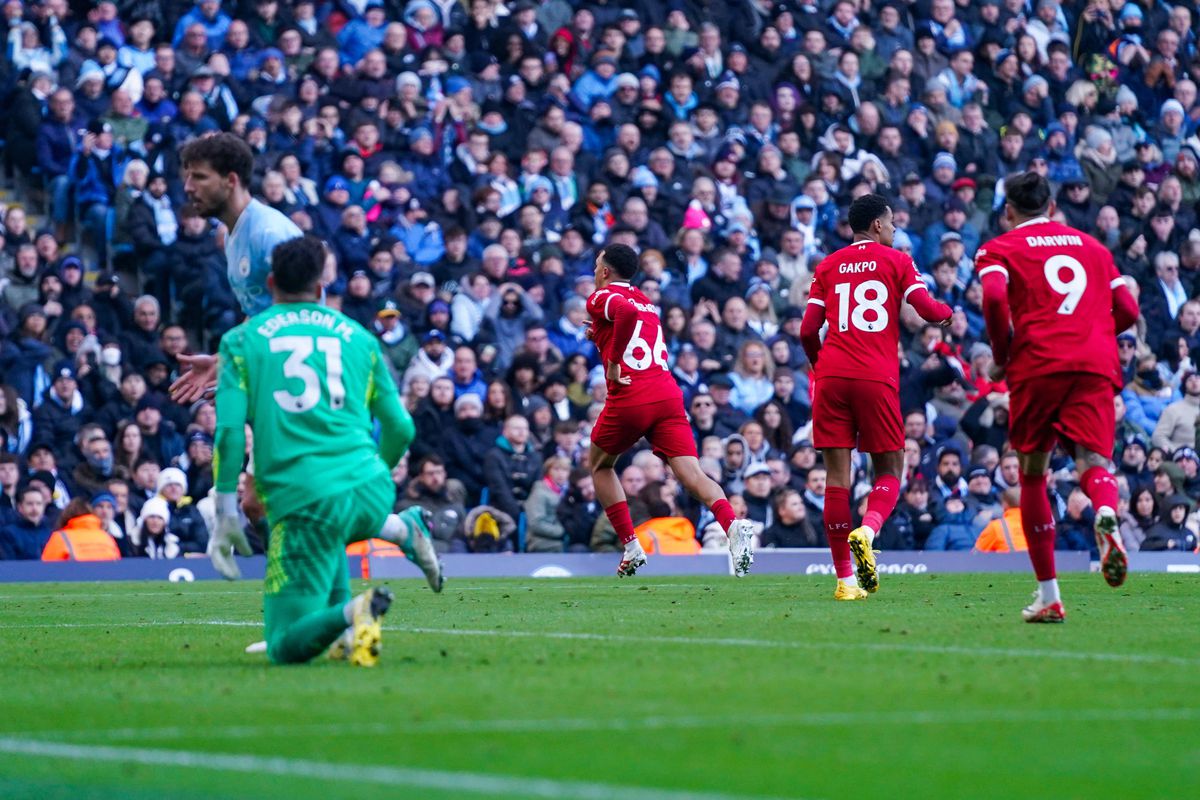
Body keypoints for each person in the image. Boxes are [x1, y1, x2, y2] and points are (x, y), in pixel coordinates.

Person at [209, 236, 442, 667]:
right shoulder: (361, 338)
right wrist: (376, 470)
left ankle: (355, 611)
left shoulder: (241, 341)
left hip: (305, 498)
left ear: (271, 282)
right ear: (321, 288)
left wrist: (225, 509)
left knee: (282, 645)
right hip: (369, 492)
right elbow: (400, 426)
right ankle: (399, 537)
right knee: (329, 532)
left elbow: (228, 434)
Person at [976, 171, 1140, 622]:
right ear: (1051, 208)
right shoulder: (1095, 248)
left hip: (1037, 364)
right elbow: (1128, 309)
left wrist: (1002, 354)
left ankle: (1049, 595)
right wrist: (1096, 335)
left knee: (1032, 474)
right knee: (1093, 464)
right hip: (1094, 365)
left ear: (1008, 211)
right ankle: (1105, 512)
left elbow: (993, 299)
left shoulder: (999, 248)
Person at [799, 193, 952, 600]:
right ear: (880, 225)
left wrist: (820, 367)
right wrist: (948, 312)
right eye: (894, 223)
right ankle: (867, 530)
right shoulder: (897, 260)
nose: (896, 230)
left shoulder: (827, 265)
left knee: (836, 478)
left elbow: (807, 330)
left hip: (831, 377)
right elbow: (927, 310)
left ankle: (845, 582)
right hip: (875, 378)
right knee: (890, 467)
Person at [584, 243, 755, 577]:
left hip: (633, 394)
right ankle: (732, 526)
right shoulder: (646, 302)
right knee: (691, 473)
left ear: (605, 271)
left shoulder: (600, 296)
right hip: (667, 393)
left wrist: (615, 363)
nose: (594, 271)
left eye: (596, 265)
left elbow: (624, 317)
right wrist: (599, 338)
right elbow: (635, 330)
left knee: (600, 466)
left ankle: (631, 546)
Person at [168, 133, 304, 403]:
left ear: (230, 180)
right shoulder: (232, 234)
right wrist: (224, 360)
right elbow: (259, 312)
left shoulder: (269, 234)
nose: (188, 187)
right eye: (187, 177)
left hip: (299, 385)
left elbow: (303, 315)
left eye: (199, 177)